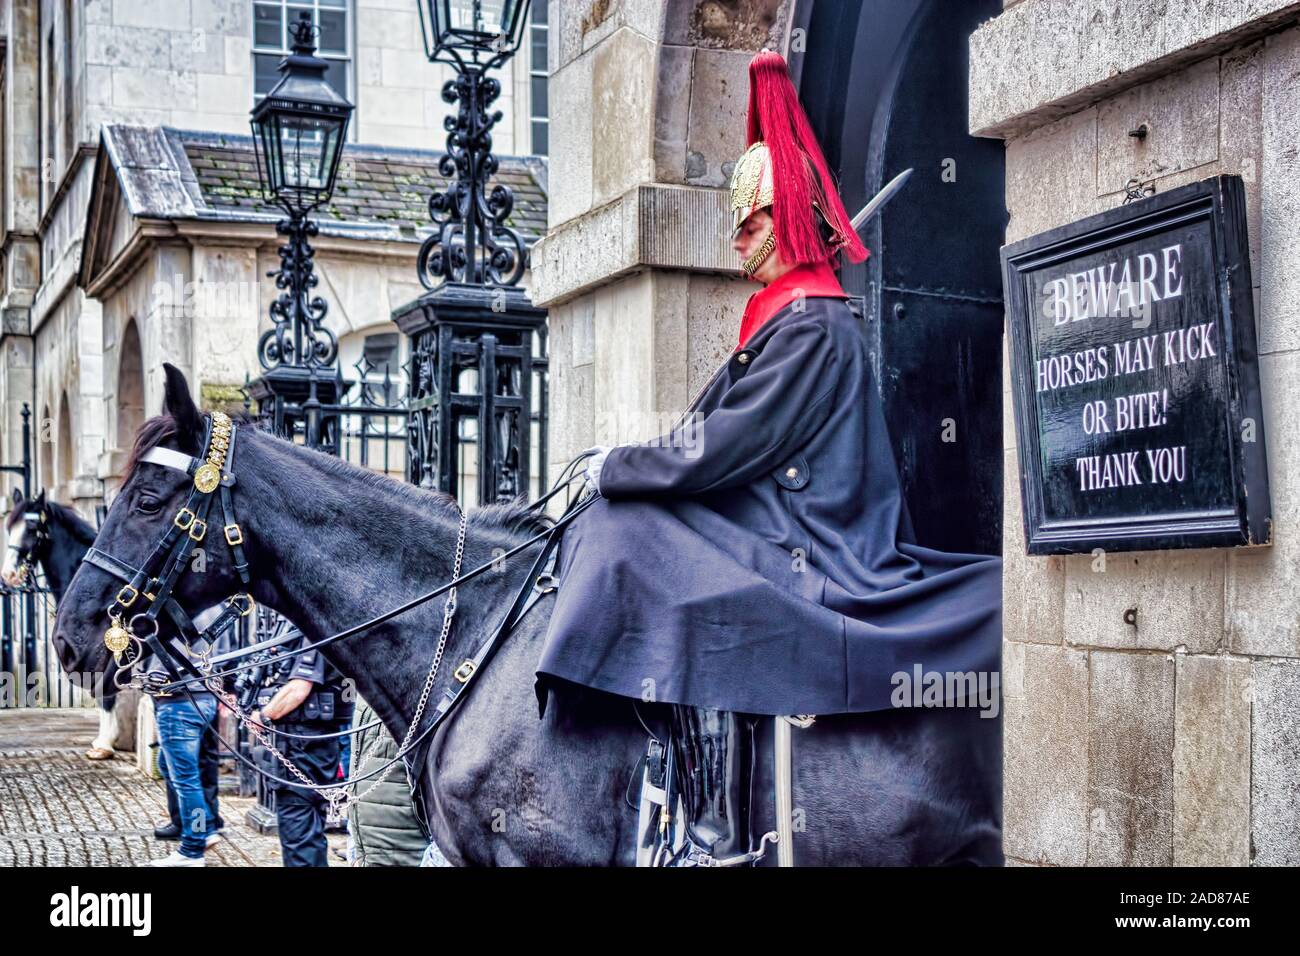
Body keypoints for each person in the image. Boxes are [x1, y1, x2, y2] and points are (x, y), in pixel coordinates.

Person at [538, 50, 1002, 865]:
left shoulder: (814, 328)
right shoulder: (788, 321)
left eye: (751, 222)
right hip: (779, 519)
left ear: (786, 224)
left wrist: (614, 467)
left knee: (659, 563)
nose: (737, 237)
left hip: (818, 542)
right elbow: (707, 434)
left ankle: (713, 824)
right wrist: (631, 464)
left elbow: (725, 443)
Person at [251, 617, 353, 867]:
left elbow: (299, 688)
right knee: (306, 830)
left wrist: (263, 716)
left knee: (300, 832)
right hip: (306, 743)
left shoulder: (314, 627)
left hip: (304, 745)